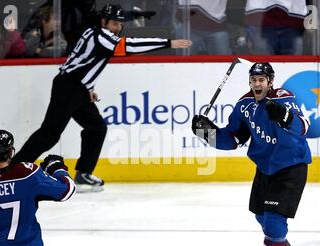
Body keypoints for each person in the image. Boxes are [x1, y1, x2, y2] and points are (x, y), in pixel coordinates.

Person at [12, 3, 192, 192]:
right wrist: (168, 43)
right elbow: (127, 46)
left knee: (96, 128)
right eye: (114, 23)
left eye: (120, 24)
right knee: (49, 134)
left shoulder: (94, 33)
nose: (118, 27)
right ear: (103, 21)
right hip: (69, 87)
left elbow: (83, 61)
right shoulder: (101, 35)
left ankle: (83, 175)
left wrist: (89, 87)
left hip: (78, 88)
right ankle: (13, 171)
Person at [191, 62, 311, 246]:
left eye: (262, 80)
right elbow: (233, 139)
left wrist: (285, 116)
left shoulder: (284, 99)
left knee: (275, 221)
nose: (258, 84)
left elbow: (304, 126)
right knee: (261, 216)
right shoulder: (244, 105)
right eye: (254, 80)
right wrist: (207, 132)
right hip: (265, 168)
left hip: (291, 166)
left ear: (270, 82)